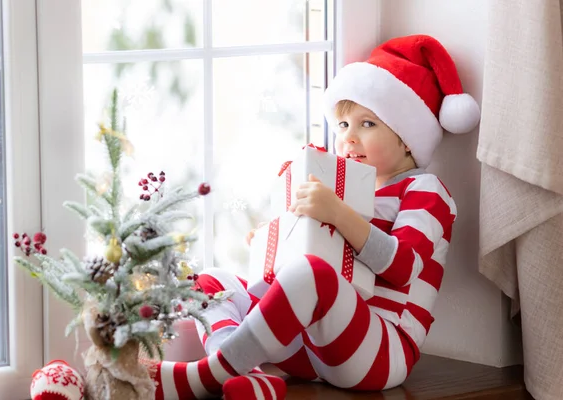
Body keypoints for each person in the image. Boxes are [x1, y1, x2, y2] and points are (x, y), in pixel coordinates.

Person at [151, 34, 481, 400]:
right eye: (342, 126)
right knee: (211, 279)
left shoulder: (426, 190)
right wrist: (273, 242)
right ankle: (247, 375)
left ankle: (207, 376)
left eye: (367, 124)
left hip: (380, 351)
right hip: (312, 344)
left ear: (407, 138)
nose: (348, 139)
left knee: (311, 273)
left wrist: (336, 213)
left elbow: (402, 267)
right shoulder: (346, 188)